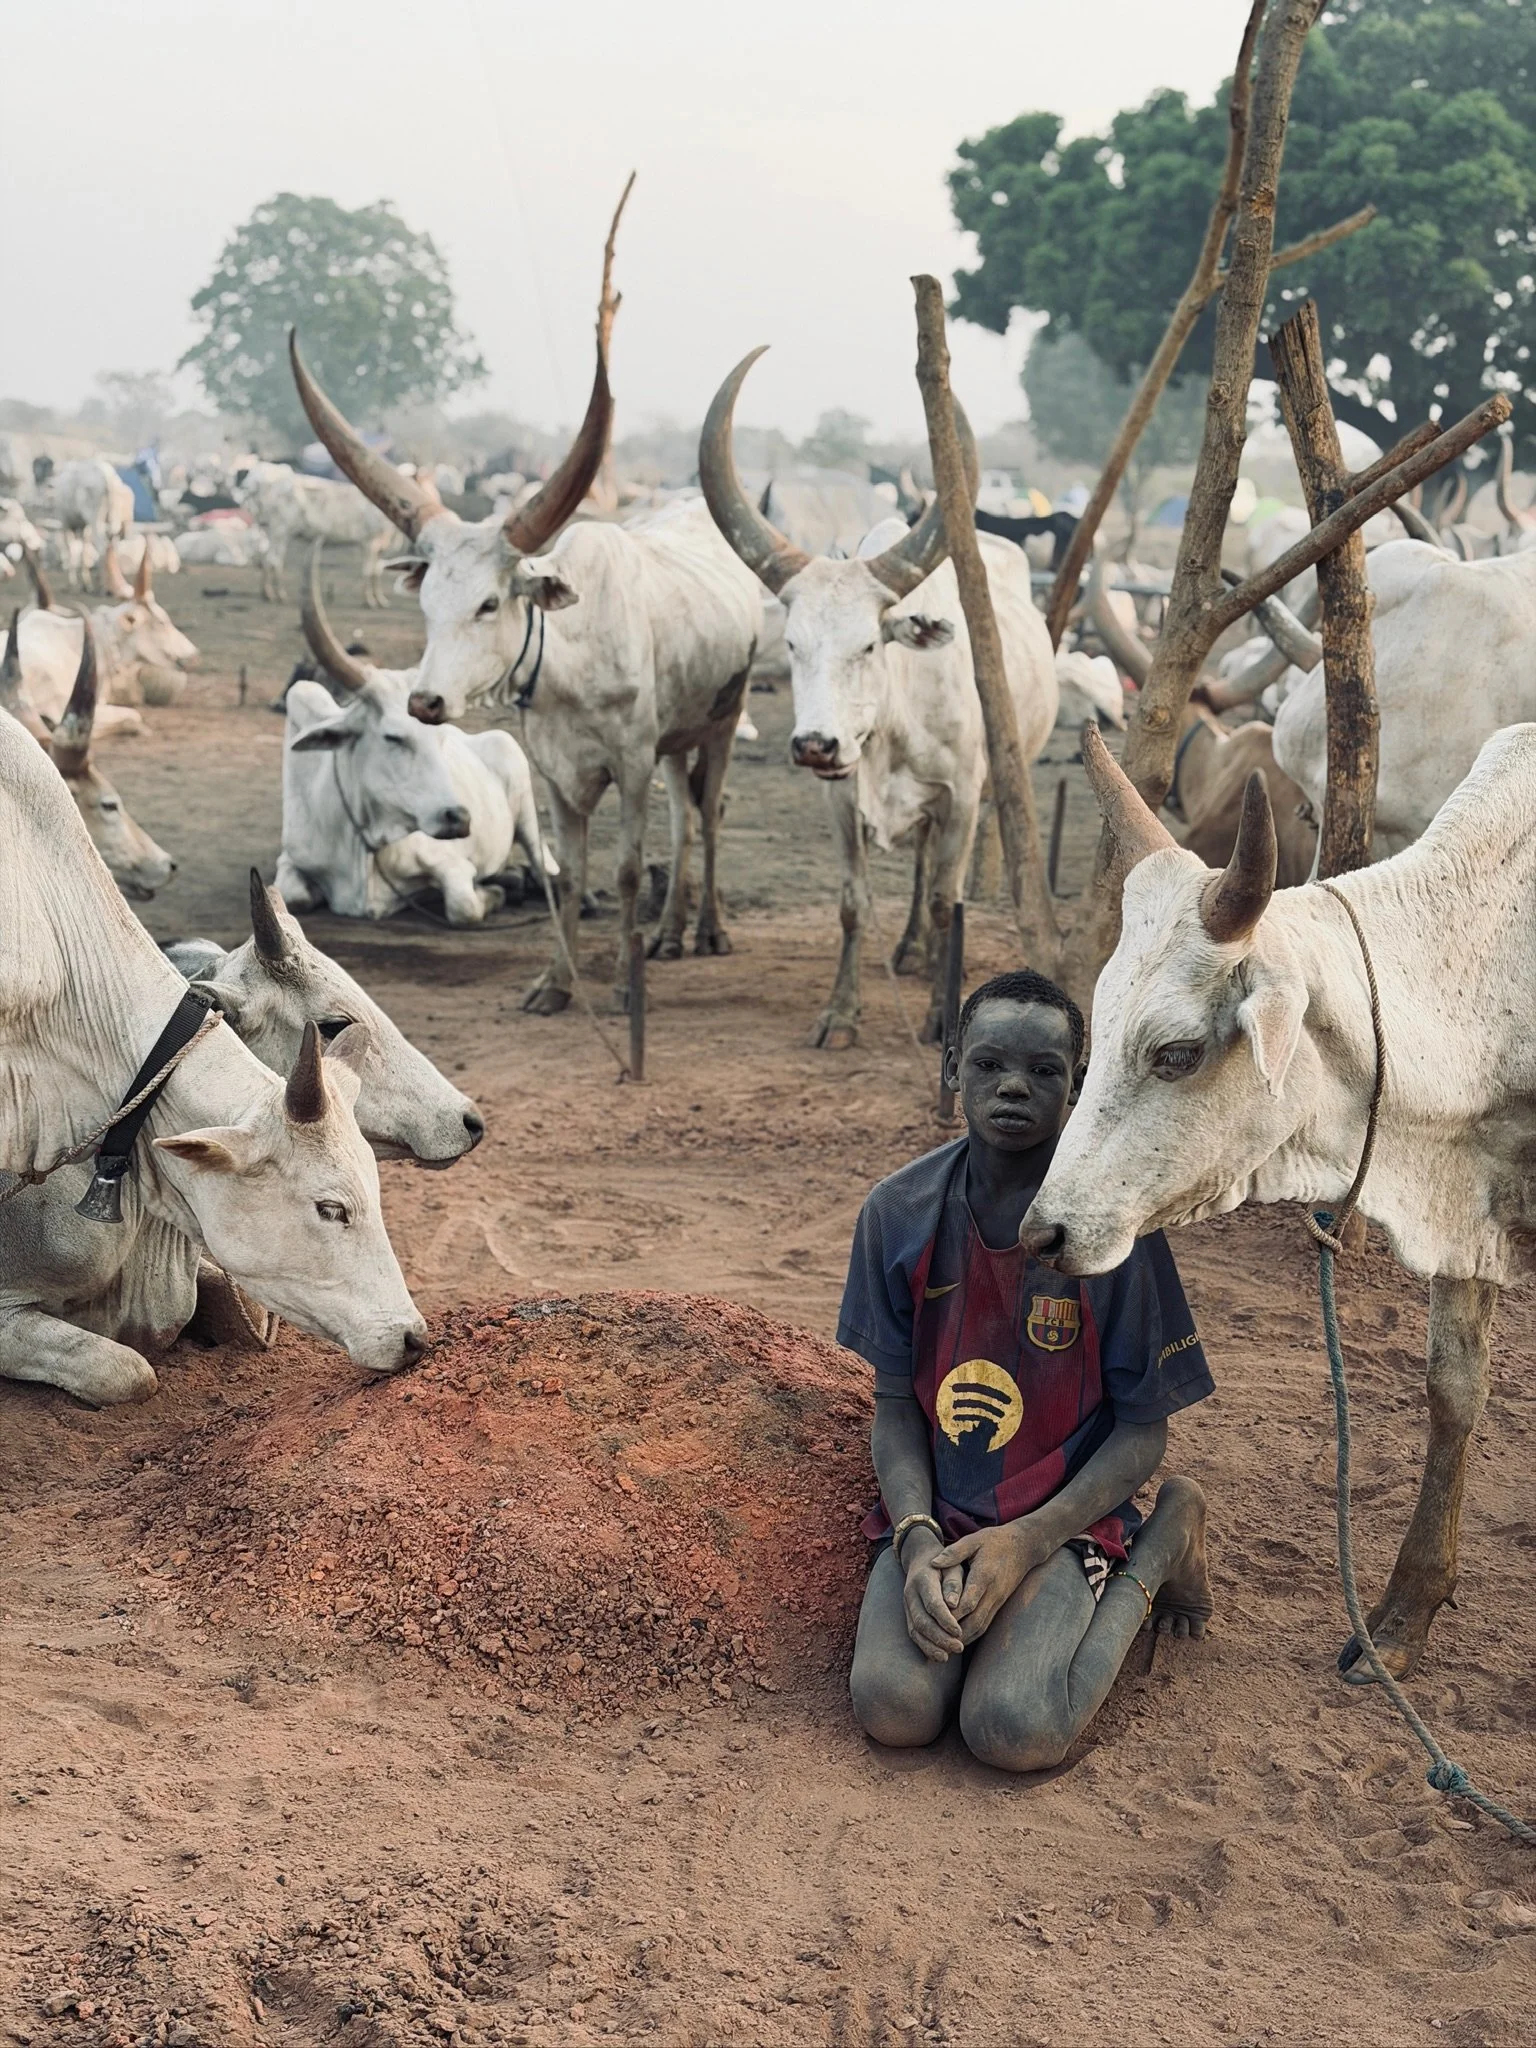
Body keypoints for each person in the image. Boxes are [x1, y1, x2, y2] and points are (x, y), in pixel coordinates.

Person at [838, 969, 1214, 1771]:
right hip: (943, 1516)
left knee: (1015, 1727)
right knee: (894, 1708)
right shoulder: (897, 1213)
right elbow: (897, 1404)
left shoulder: (1113, 1228)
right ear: (953, 1069)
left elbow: (1144, 1433)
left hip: (1063, 1517)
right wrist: (913, 1543)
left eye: (1045, 1071)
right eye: (988, 1065)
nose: (1013, 1087)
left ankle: (1165, 1540)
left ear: (1078, 1085)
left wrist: (1027, 1541)